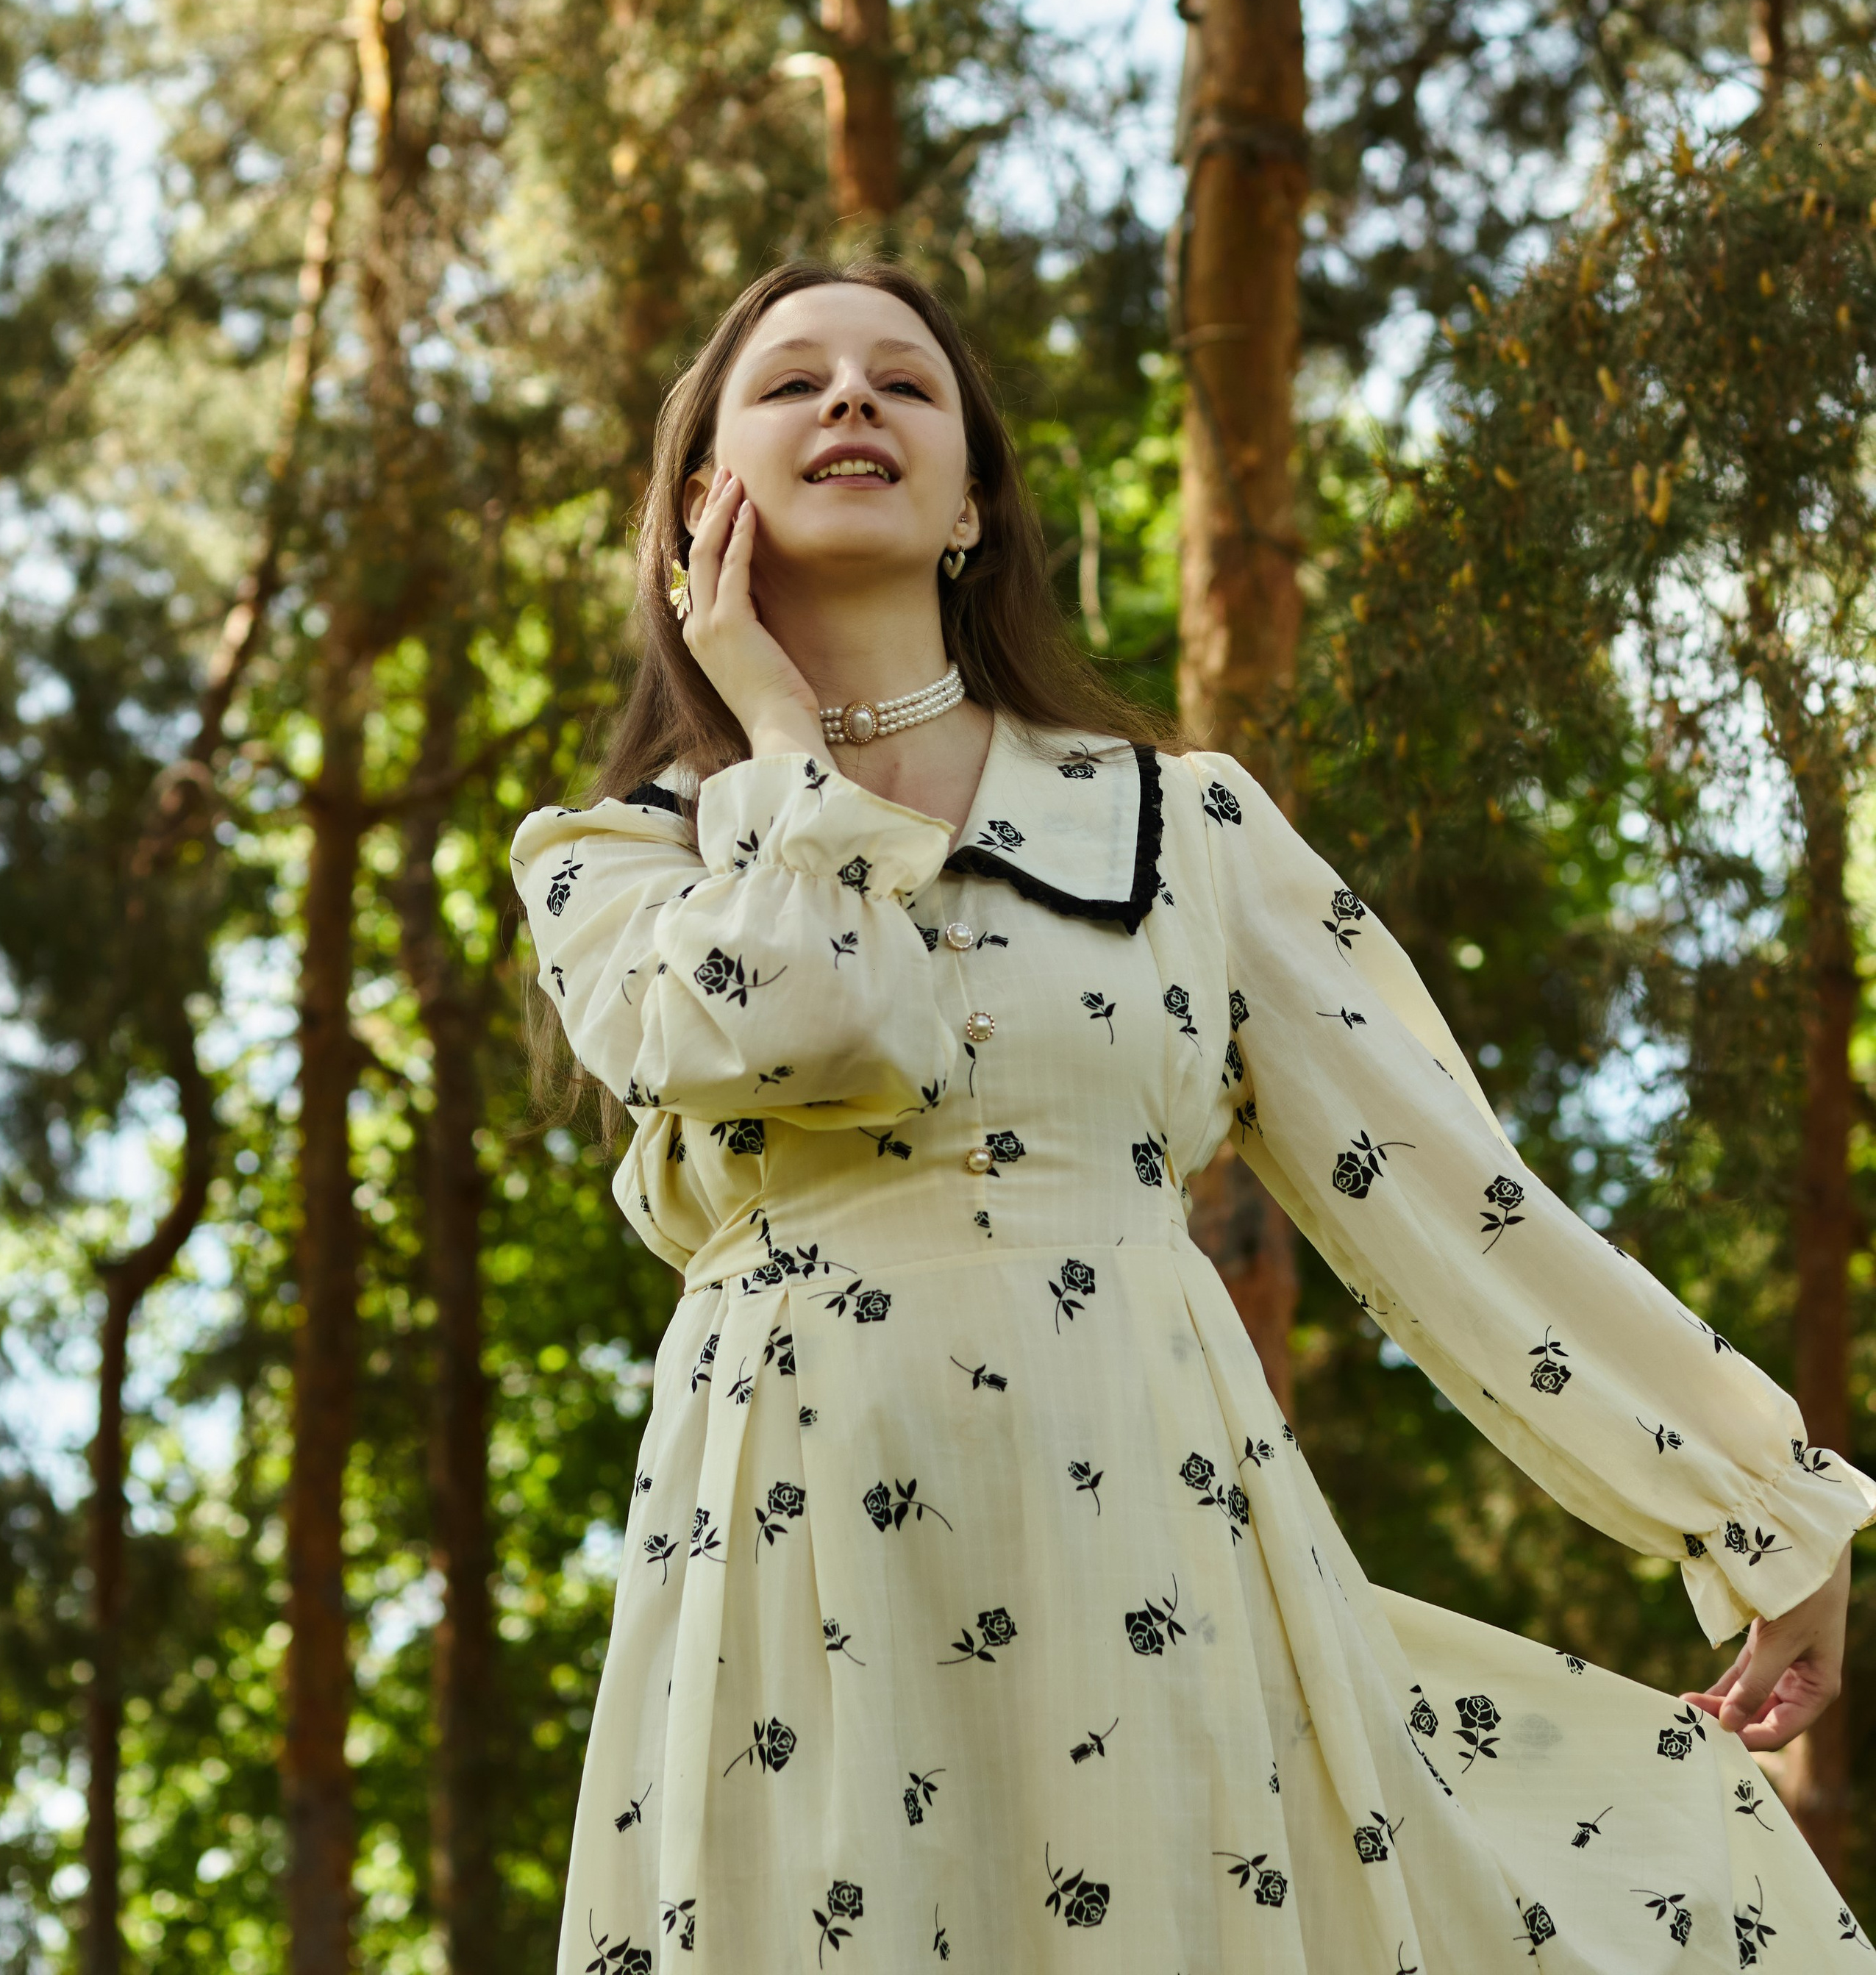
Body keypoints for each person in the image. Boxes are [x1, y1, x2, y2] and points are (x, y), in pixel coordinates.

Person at [512, 258, 1873, 1975]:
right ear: (702, 502)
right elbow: (801, 1018)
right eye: (789, 385)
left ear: (972, 508)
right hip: (789, 1561)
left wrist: (1749, 1500)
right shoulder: (618, 858)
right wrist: (779, 735)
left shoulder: (1179, 831)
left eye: (901, 384)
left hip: (1141, 1533)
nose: (849, 400)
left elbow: (1449, 1191)